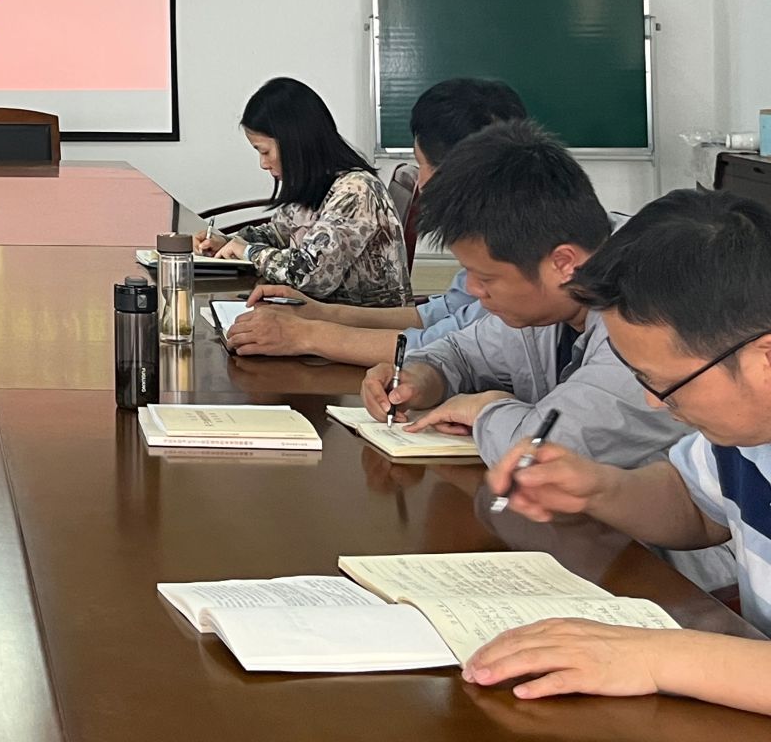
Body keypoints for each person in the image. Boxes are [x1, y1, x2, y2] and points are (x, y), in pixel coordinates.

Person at [463, 190, 771, 714]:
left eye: (667, 383)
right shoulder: (741, 432)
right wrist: (600, 488)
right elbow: (697, 507)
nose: (654, 401)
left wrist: (654, 656)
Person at [360, 120, 685, 469]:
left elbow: (549, 451)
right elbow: (461, 353)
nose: (471, 289)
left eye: (486, 277)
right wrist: (421, 377)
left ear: (563, 263)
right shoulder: (548, 295)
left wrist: (486, 409)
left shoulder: (647, 314)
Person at [226, 78, 525, 361]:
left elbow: (447, 345)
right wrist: (316, 313)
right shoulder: (493, 245)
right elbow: (440, 315)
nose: (421, 184)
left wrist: (306, 334)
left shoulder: (520, 253)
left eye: (424, 166)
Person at [196, 77, 409, 306]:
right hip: (321, 312)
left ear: (294, 143)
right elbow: (278, 233)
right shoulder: (316, 183)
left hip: (358, 322)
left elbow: (312, 276)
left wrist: (248, 252)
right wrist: (227, 242)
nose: (263, 164)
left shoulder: (356, 191)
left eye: (265, 152)